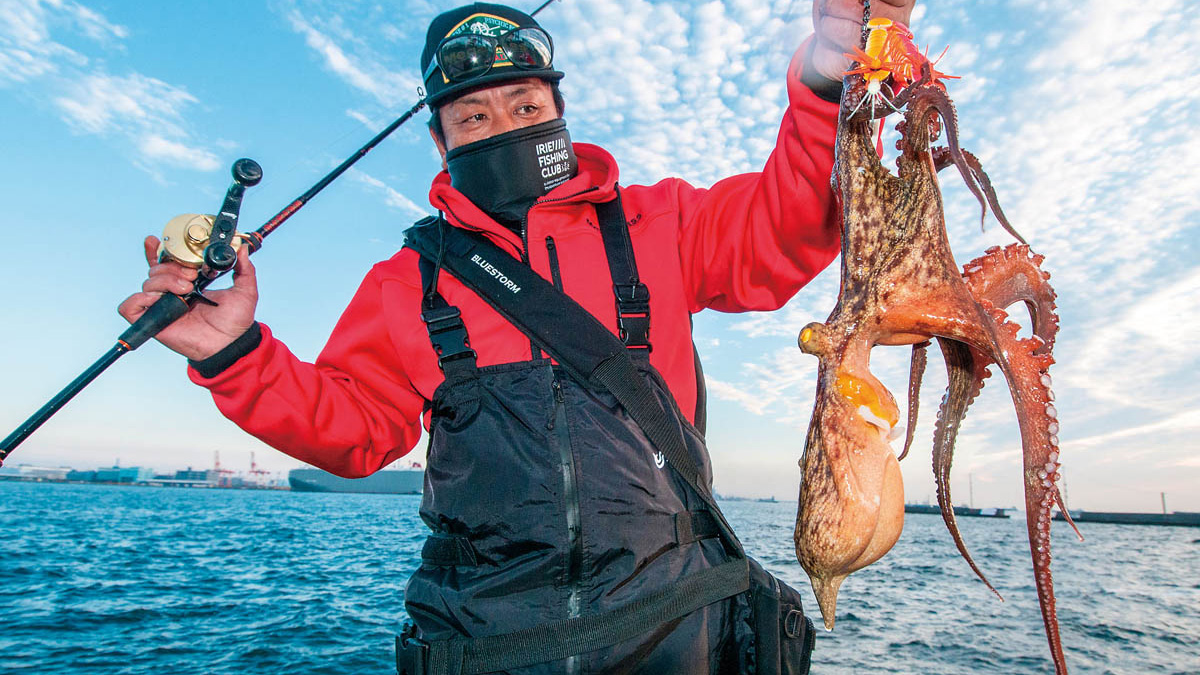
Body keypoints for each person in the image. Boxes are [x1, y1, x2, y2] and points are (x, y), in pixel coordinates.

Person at [120, 1, 914, 673]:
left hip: (677, 628)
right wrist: (233, 353)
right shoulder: (406, 282)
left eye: (527, 107)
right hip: (485, 644)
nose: (505, 125)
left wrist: (828, 78)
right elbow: (354, 432)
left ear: (559, 113)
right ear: (441, 140)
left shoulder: (659, 223)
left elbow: (792, 223)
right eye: (474, 115)